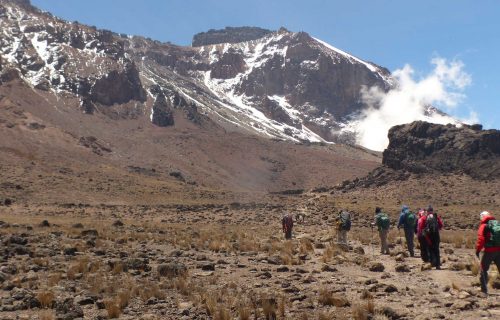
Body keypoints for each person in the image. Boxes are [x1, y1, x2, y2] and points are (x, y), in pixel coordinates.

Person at [475, 211, 500, 295]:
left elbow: (481, 239)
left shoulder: (483, 225)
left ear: (482, 217)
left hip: (489, 251)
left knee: (483, 269)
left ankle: (484, 290)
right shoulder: (496, 223)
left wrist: (478, 250)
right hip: (499, 250)